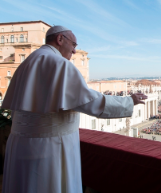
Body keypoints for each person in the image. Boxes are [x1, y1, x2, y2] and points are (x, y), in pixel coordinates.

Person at [1, 25, 147, 193]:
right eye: (74, 45)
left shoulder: (28, 61)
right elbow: (89, 101)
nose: (75, 51)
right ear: (60, 39)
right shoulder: (58, 63)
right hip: (49, 146)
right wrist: (129, 101)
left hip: (21, 143)